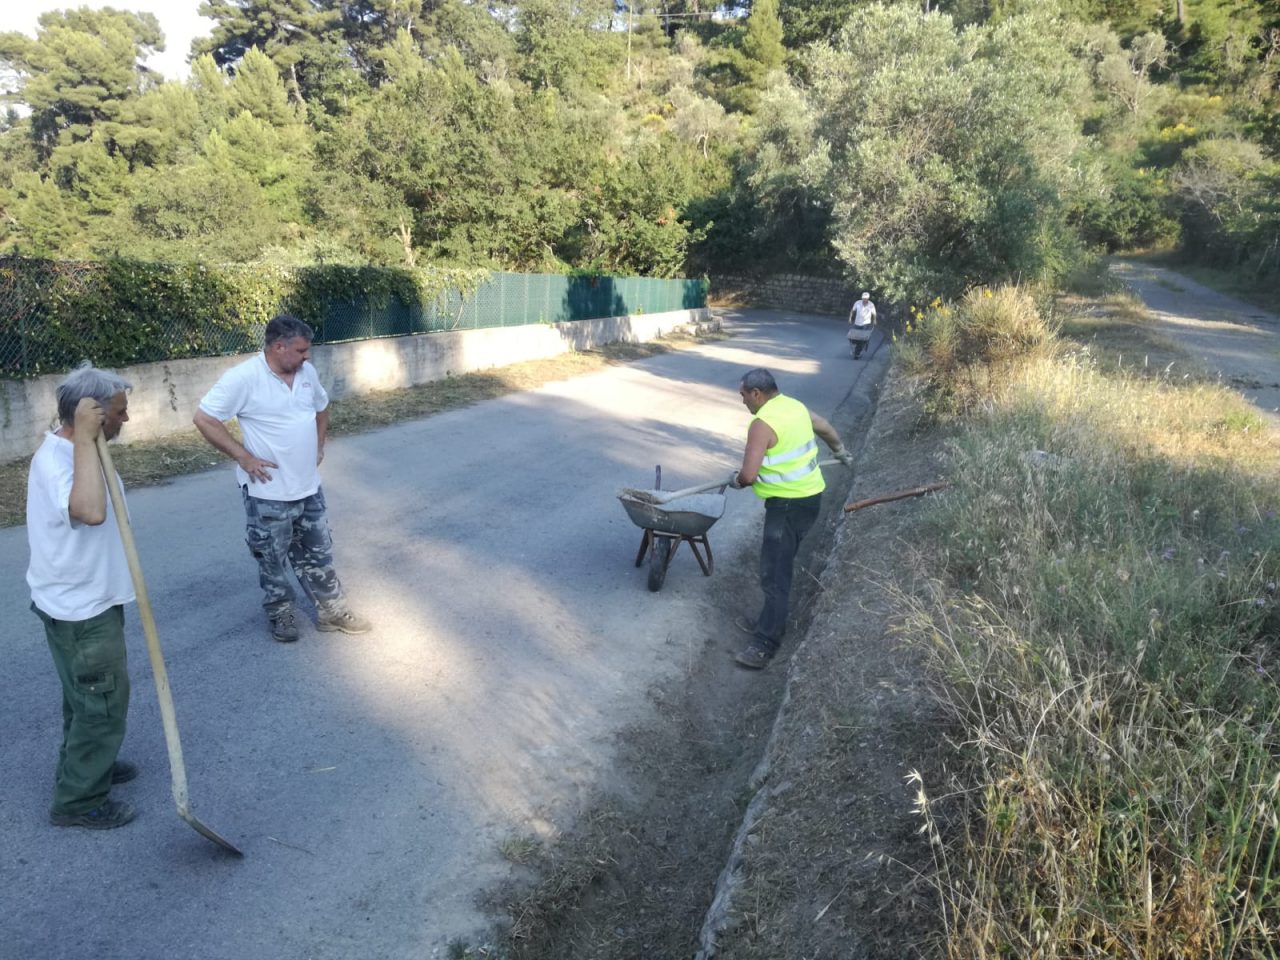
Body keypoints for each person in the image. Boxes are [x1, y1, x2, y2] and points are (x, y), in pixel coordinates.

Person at [194, 314, 371, 643]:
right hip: (268, 493)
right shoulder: (243, 378)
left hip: (308, 488)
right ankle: (281, 612)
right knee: (271, 558)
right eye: (302, 351)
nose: (308, 357)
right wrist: (243, 457)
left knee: (319, 552)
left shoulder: (306, 373)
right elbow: (204, 418)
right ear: (278, 347)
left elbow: (322, 408)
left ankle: (332, 610)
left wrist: (319, 445)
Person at [27, 364, 140, 829]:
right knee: (102, 702)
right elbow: (90, 511)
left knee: (84, 698)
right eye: (119, 412)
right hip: (80, 610)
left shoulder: (82, 452)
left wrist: (86, 442)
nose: (125, 420)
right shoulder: (61, 458)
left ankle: (92, 762)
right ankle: (78, 800)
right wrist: (83, 441)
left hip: (87, 599)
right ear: (88, 414)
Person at [728, 368, 853, 669]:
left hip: (786, 507)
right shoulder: (794, 406)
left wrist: (738, 480)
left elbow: (748, 474)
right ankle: (769, 619)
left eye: (743, 395)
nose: (743, 401)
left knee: (775, 575)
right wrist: (840, 451)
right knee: (781, 566)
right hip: (810, 499)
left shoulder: (761, 423)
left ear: (756, 394)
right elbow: (823, 426)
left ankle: (765, 643)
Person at [848, 291, 877, 359]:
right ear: (862, 298)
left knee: (861, 338)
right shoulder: (857, 303)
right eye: (864, 298)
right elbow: (852, 310)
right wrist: (850, 318)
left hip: (866, 323)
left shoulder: (871, 305)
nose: (865, 300)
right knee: (854, 337)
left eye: (866, 298)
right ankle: (859, 346)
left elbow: (874, 313)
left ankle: (857, 353)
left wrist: (875, 320)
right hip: (857, 323)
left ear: (868, 298)